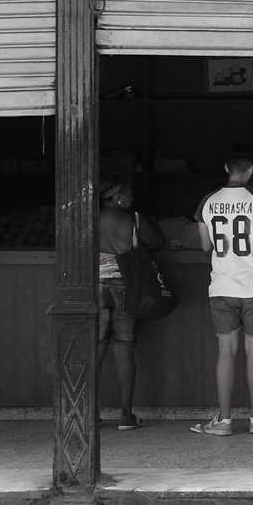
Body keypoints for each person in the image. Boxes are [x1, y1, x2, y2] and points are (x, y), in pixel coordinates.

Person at [190, 143, 253, 437]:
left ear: (226, 170)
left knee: (225, 350)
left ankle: (224, 421)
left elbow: (206, 246)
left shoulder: (208, 201)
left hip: (221, 286)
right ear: (251, 171)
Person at [96, 173, 166, 431]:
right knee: (123, 348)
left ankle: (89, 412)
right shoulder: (133, 219)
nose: (133, 198)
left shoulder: (89, 219)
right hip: (126, 287)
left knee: (96, 349)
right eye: (129, 194)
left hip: (95, 288)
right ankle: (126, 415)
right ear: (118, 196)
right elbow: (160, 241)